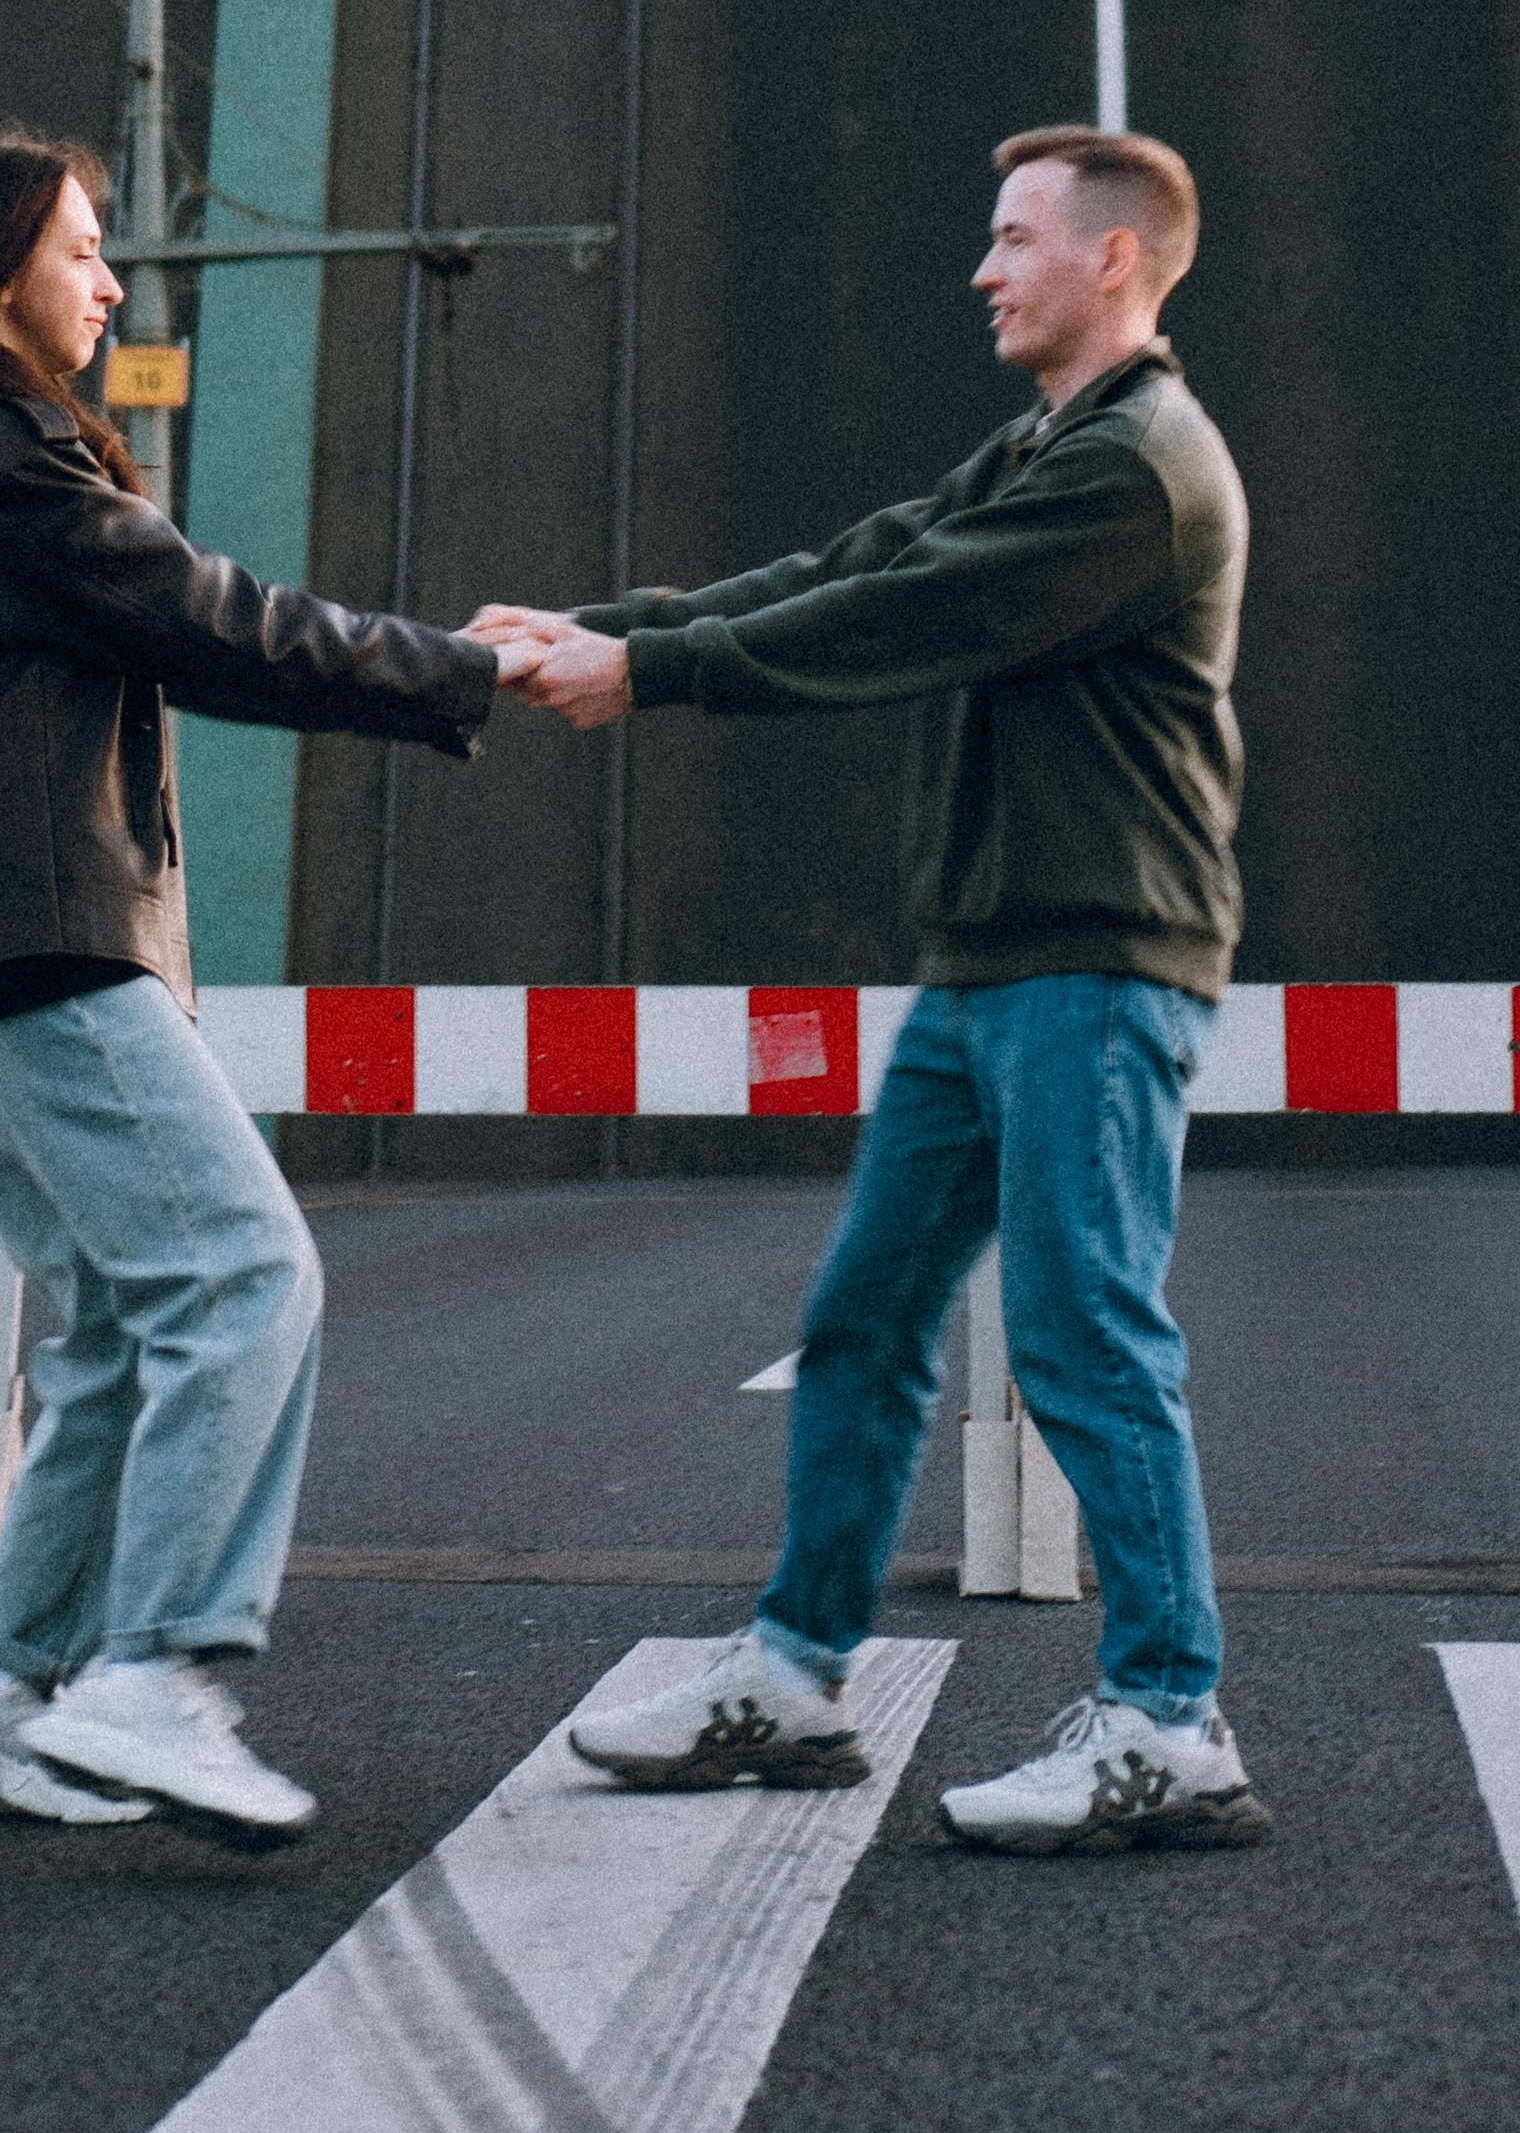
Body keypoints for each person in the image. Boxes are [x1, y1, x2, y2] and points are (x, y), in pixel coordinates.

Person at [478, 125, 1270, 1855]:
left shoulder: (1139, 470)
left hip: (1097, 957)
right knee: (863, 1318)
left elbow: (908, 616)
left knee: (1086, 1332)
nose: (984, 269)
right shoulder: (1042, 445)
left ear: (1115, 258)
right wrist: (594, 625)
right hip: (991, 962)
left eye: (1015, 238)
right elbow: (857, 561)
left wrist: (650, 672)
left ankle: (1169, 1722)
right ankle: (795, 1675)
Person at [0, 127, 532, 1838]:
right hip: (27, 928)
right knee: (244, 1276)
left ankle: (1, 1684)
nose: (114, 283)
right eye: (82, 248)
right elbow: (211, 620)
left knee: (127, 1326)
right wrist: (462, 668)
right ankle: (151, 1673)